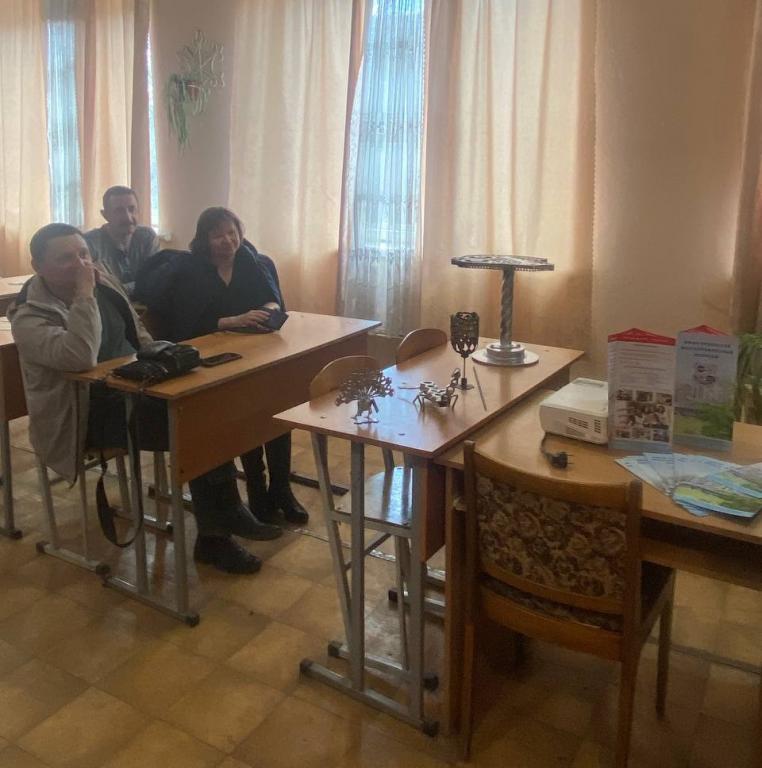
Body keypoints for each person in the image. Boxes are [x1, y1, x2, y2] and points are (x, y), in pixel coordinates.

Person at [9, 223, 281, 574]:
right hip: (85, 414)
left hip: (134, 388)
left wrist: (167, 357)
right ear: (38, 267)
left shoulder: (104, 283)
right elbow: (80, 357)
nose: (81, 264)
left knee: (209, 404)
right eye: (66, 258)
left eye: (84, 254)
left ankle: (222, 519)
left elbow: (137, 333)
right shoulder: (29, 317)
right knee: (194, 424)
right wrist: (84, 296)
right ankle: (218, 531)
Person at [141, 207, 309, 526]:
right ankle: (257, 491)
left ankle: (281, 489)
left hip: (251, 349)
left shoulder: (248, 259)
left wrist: (267, 309)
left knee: (277, 406)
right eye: (218, 235)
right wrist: (232, 320)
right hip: (208, 358)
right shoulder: (190, 269)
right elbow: (185, 322)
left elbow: (273, 298)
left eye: (232, 233)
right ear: (204, 238)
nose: (227, 240)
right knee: (245, 414)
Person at [84, 186, 160, 295]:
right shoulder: (89, 243)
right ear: (105, 215)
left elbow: (156, 280)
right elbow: (94, 289)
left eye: (132, 209)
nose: (128, 217)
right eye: (119, 211)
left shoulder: (147, 237)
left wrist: (119, 289)